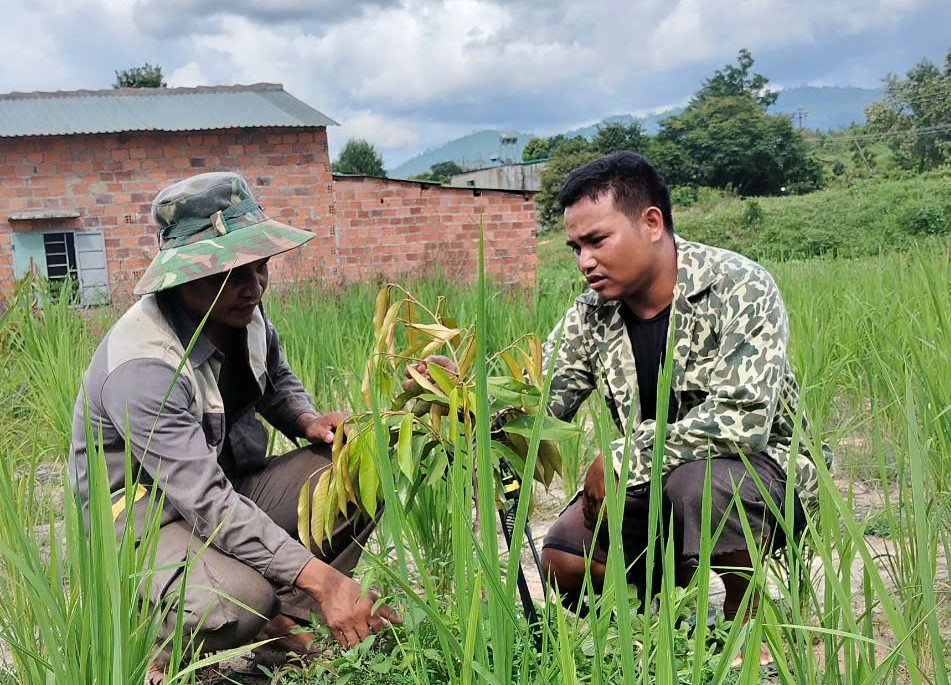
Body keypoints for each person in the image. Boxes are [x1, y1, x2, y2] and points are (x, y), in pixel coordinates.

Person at [68, 172, 400, 684]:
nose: (253, 286)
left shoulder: (240, 308)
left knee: (360, 464)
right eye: (229, 273)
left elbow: (274, 379)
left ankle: (288, 625)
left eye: (260, 267)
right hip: (147, 518)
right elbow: (205, 502)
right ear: (179, 277)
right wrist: (326, 581)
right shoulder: (144, 366)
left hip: (230, 484)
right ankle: (157, 643)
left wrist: (306, 419)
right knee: (240, 599)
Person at [536, 151, 832, 667]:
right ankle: (660, 620)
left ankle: (750, 615)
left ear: (651, 223)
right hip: (652, 483)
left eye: (597, 240)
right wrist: (464, 392)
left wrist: (629, 452)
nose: (584, 261)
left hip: (769, 473)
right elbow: (542, 403)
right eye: (576, 247)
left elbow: (743, 422)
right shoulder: (592, 313)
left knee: (695, 483)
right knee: (564, 557)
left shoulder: (739, 286)